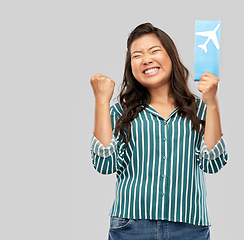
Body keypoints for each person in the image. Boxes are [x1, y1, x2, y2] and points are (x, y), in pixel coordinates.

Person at [90, 23, 228, 240]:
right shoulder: (121, 112)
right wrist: (101, 101)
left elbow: (213, 163)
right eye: (137, 55)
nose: (146, 59)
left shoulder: (199, 109)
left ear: (171, 56)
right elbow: (104, 164)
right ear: (131, 66)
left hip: (189, 227)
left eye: (154, 51)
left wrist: (212, 104)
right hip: (131, 226)